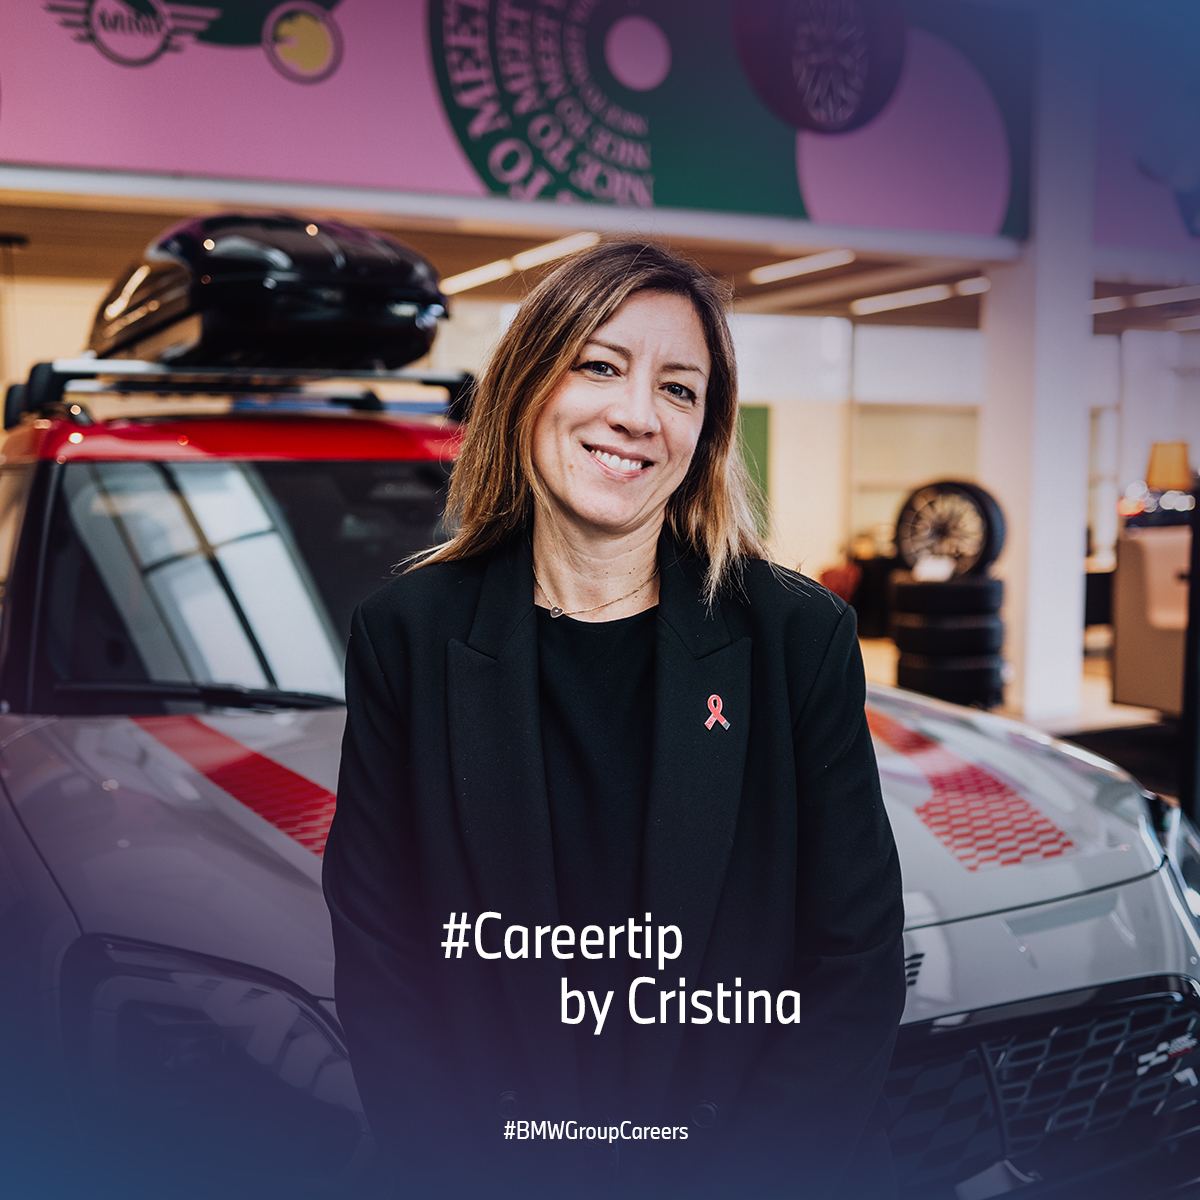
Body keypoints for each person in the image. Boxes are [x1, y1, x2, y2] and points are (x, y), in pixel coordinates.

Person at [323, 240, 906, 1199]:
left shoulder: (798, 636)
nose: (637, 415)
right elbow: (387, 966)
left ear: (705, 432)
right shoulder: (408, 636)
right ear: (526, 388)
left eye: (680, 390)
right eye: (600, 365)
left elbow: (852, 962)